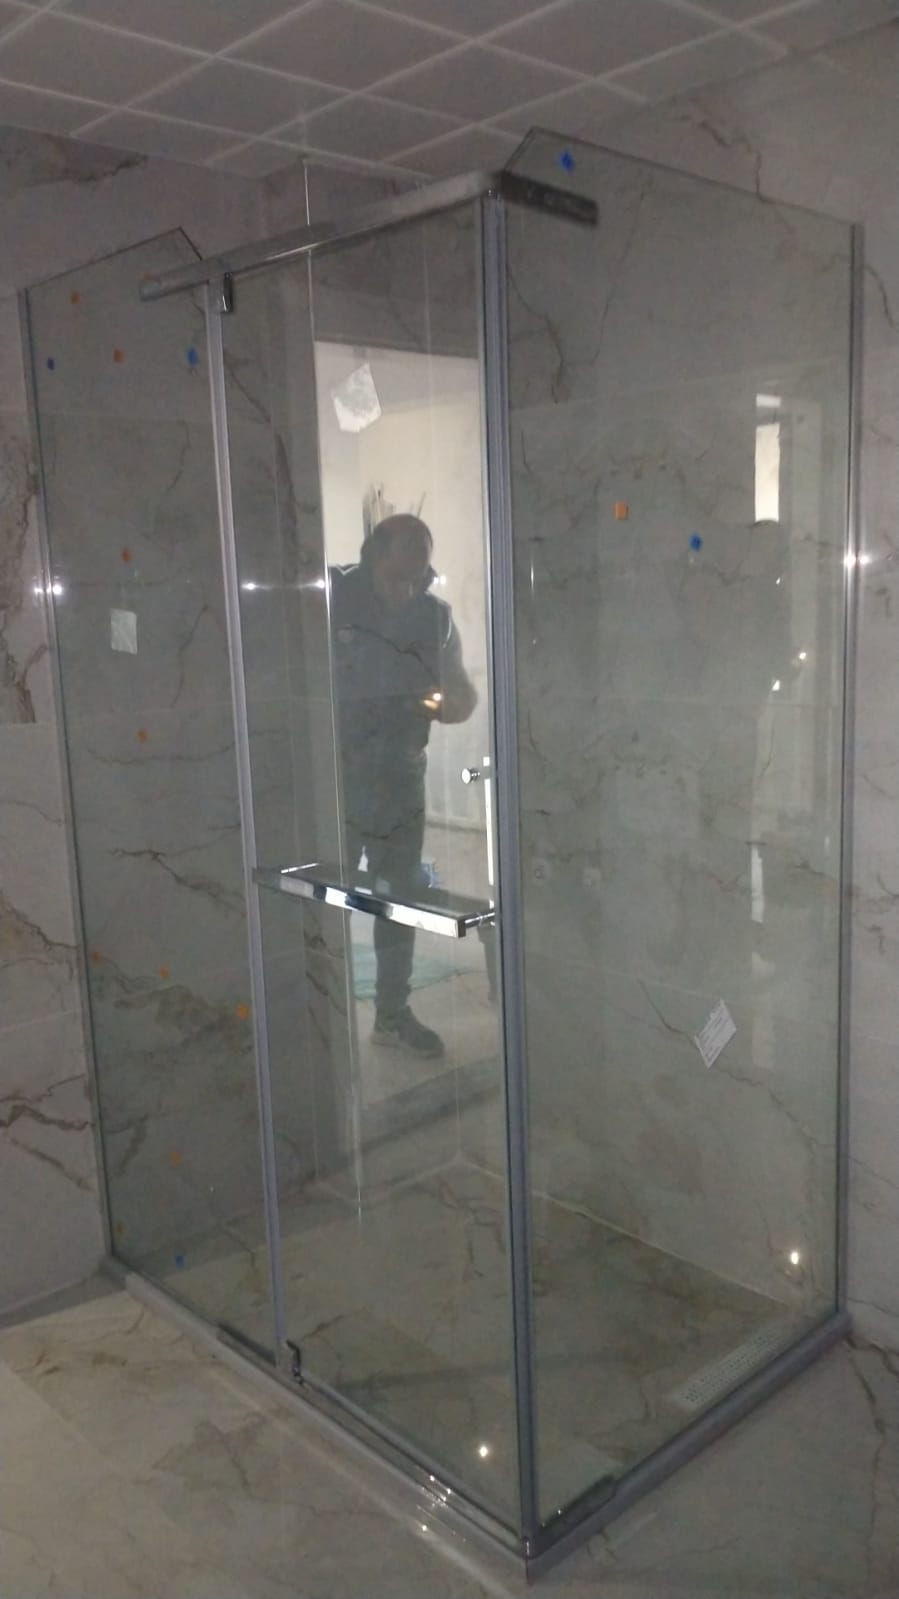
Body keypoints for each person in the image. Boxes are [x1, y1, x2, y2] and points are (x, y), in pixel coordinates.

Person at [330, 515, 477, 1058]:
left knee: (400, 900)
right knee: (324, 896)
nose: (408, 589)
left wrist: (440, 704)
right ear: (372, 557)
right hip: (335, 781)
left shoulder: (434, 618)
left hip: (399, 781)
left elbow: (463, 697)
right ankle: (318, 1016)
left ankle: (391, 1015)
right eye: (397, 577)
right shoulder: (332, 597)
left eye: (418, 578)